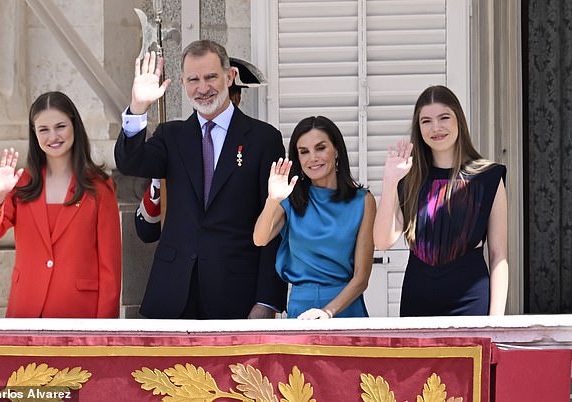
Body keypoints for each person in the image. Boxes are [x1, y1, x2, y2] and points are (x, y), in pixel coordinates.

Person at [115, 40, 287, 319]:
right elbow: (130, 162)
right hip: (172, 294)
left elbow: (275, 223)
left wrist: (267, 300)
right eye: (193, 79)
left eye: (210, 77)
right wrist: (138, 108)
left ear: (229, 76)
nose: (203, 88)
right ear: (183, 83)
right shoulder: (171, 137)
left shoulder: (263, 139)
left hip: (236, 294)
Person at [0, 91, 122, 318]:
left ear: (74, 126)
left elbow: (110, 269)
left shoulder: (100, 187)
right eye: (43, 129)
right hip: (25, 312)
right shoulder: (21, 183)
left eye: (60, 126)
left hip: (79, 315)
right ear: (34, 134)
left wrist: (104, 334)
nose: (53, 136)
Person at [373, 85, 508, 316]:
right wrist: (390, 181)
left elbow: (499, 256)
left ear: (459, 120)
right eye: (426, 121)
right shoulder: (408, 178)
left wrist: (496, 322)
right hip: (417, 301)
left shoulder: (489, 177)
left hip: (471, 301)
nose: (436, 127)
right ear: (419, 127)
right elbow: (383, 241)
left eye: (444, 117)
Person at [253, 116, 376, 319]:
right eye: (304, 152)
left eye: (320, 148)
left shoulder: (363, 201)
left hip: (345, 308)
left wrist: (327, 312)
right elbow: (260, 238)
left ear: (336, 150)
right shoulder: (290, 197)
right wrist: (273, 199)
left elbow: (361, 278)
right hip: (301, 309)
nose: (313, 158)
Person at [135, 57, 268, 244]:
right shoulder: (176, 143)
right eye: (196, 82)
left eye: (228, 94)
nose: (206, 93)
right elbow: (146, 231)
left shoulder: (258, 141)